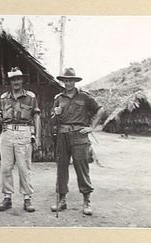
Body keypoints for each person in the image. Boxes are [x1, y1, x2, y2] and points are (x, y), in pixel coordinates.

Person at [51, 67, 104, 215]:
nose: (68, 83)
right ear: (63, 81)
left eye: (71, 80)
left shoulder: (85, 97)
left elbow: (100, 110)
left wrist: (91, 128)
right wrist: (56, 114)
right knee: (61, 167)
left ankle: (87, 201)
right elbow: (52, 119)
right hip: (62, 135)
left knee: (81, 167)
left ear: (75, 81)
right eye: (66, 80)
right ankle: (62, 200)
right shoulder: (58, 98)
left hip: (79, 135)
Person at [0, 67, 41, 213]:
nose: (16, 82)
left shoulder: (30, 97)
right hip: (7, 132)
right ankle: (7, 198)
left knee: (24, 168)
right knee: (6, 168)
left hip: (23, 132)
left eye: (18, 78)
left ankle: (27, 198)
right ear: (10, 81)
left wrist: (38, 136)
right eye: (13, 79)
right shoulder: (3, 98)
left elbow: (36, 117)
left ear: (22, 80)